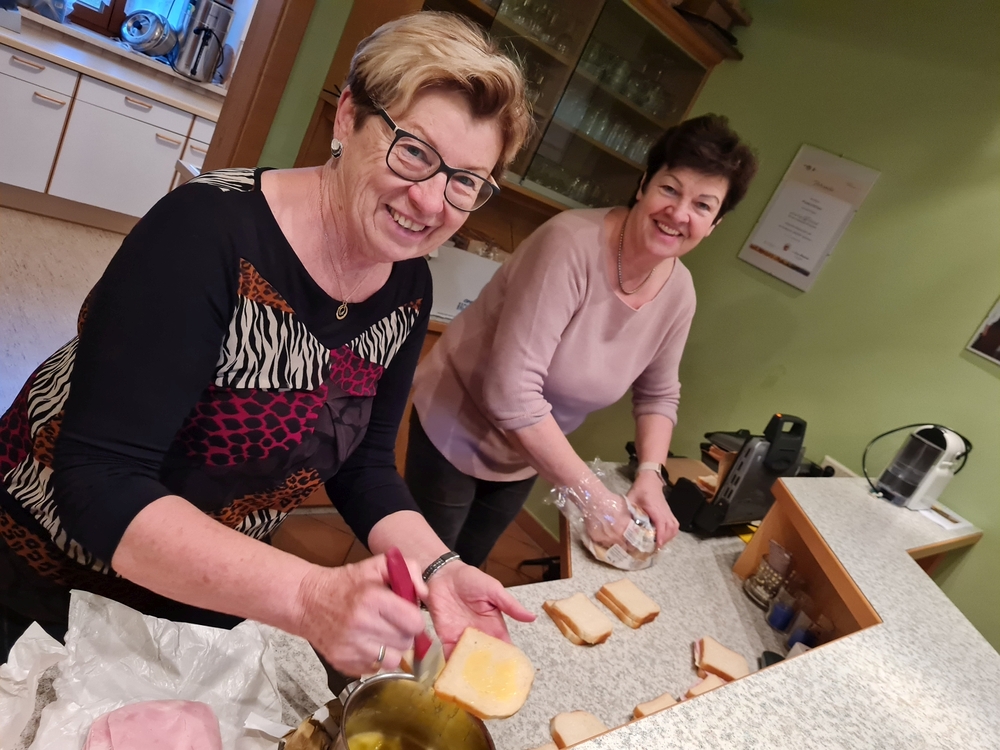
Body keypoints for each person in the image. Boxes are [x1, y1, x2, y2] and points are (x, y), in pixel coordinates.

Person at [0, 12, 535, 674]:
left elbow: (364, 466)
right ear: (348, 117)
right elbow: (102, 481)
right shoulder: (204, 233)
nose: (431, 202)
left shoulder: (408, 287)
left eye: (466, 181)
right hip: (49, 579)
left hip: (211, 592)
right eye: (415, 152)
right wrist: (308, 596)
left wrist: (440, 568)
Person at [407, 114, 758, 567]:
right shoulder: (569, 245)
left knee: (468, 565)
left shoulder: (680, 292)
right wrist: (592, 497)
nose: (679, 213)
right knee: (425, 571)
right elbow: (510, 391)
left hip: (528, 449)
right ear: (644, 185)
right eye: (670, 189)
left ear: (714, 224)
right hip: (458, 420)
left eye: (703, 205)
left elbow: (658, 394)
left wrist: (651, 473)